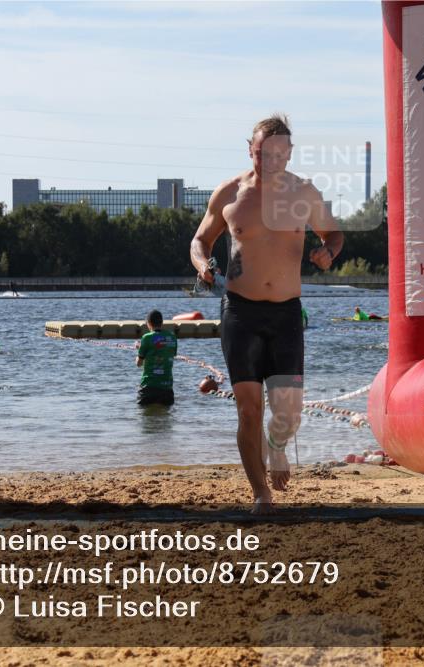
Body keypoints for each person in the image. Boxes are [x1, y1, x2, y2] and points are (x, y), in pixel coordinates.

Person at [190, 114, 344, 512]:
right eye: (262, 152)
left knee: (287, 414)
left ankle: (276, 449)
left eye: (278, 153)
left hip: (286, 315)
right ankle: (261, 493)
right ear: (251, 149)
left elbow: (334, 232)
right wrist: (203, 266)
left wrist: (329, 251)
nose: (270, 160)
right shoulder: (229, 193)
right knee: (248, 407)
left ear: (289, 154)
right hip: (240, 313)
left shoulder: (304, 193)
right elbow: (200, 240)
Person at [136, 310, 177, 407]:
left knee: (144, 417)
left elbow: (139, 363)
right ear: (162, 323)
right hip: (167, 388)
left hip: (149, 387)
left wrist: (140, 349)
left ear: (148, 323)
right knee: (165, 419)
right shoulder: (172, 337)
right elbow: (169, 354)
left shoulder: (146, 337)